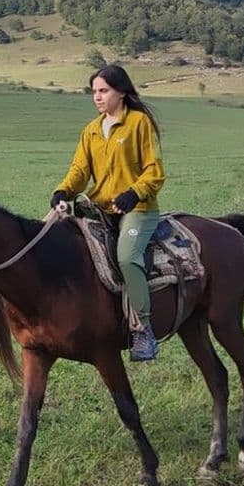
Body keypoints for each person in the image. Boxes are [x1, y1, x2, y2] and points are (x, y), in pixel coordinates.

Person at [50, 64, 165, 361]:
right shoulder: (90, 130)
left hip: (138, 209)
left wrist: (134, 193)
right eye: (94, 92)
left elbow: (154, 171)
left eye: (104, 91)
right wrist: (64, 190)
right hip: (100, 208)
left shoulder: (139, 123)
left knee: (127, 256)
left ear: (122, 92)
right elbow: (79, 170)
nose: (97, 98)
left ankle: (143, 331)